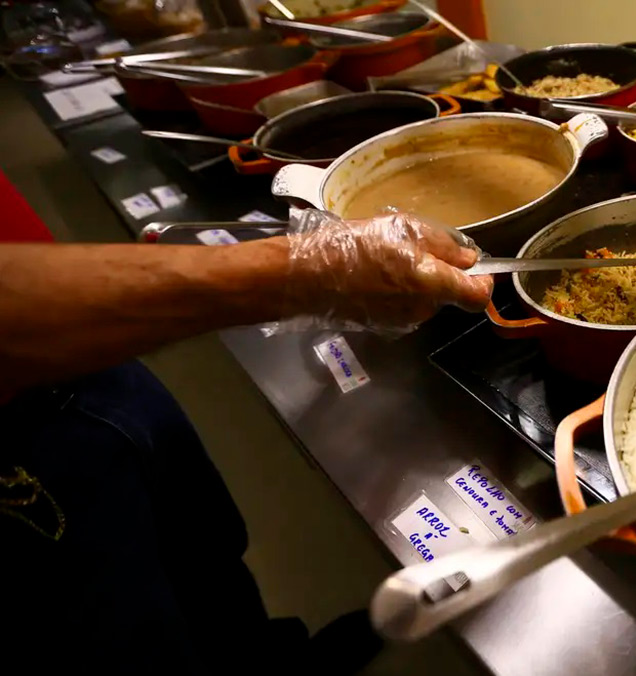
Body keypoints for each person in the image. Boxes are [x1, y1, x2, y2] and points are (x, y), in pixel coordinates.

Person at [0, 209, 493, 675]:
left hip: (89, 356)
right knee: (123, 639)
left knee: (206, 565)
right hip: (16, 453)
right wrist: (303, 270)